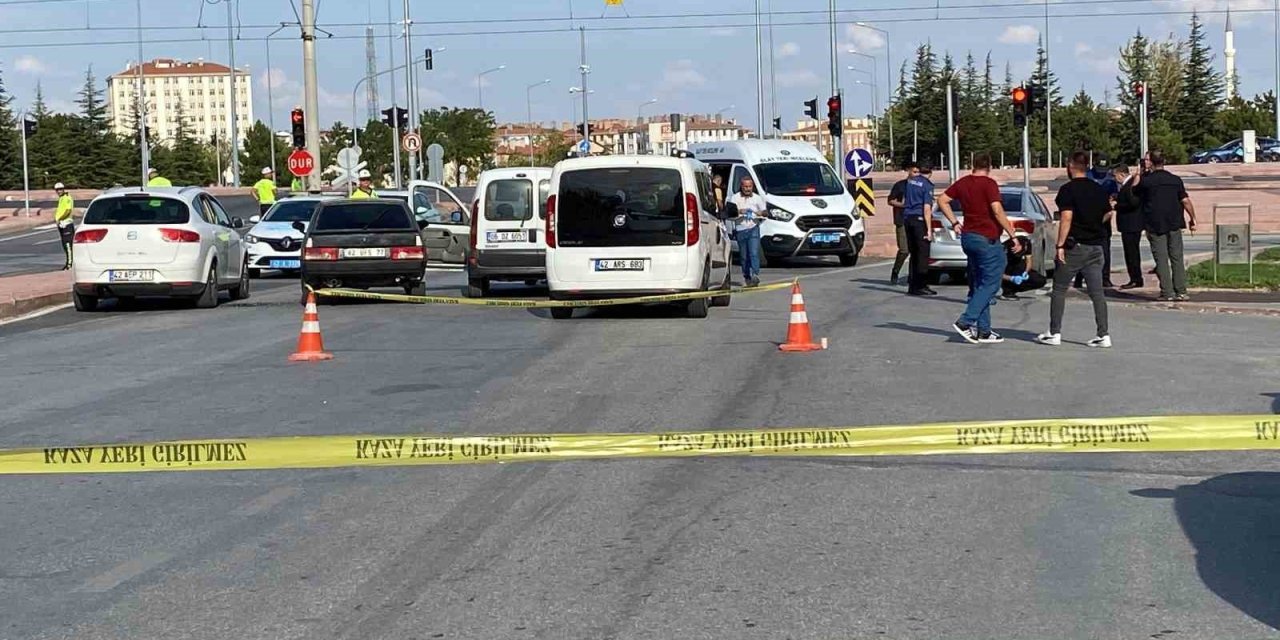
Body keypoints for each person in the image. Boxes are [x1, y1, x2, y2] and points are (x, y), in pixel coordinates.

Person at [937, 152, 1024, 344]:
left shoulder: (963, 182)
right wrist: (1012, 235)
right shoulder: (989, 184)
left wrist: (954, 222)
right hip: (987, 239)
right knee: (991, 283)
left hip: (968, 237)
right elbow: (997, 210)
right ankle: (965, 322)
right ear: (990, 166)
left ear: (972, 165)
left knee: (979, 284)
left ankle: (984, 331)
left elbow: (942, 200)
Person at [1037, 151, 1112, 348]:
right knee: (1097, 293)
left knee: (1059, 289)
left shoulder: (1067, 190)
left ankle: (1054, 332)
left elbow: (1066, 218)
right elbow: (1109, 212)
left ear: (1070, 166)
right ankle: (1103, 334)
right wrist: (1095, 223)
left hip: (1075, 246)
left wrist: (1060, 245)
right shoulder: (1098, 190)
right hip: (1096, 246)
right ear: (1086, 167)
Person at [1136, 150, 1197, 301]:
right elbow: (1185, 200)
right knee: (1177, 257)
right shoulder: (1175, 180)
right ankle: (1181, 291)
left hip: (1155, 224)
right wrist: (1192, 218)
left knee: (1161, 259)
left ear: (1150, 162)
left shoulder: (1147, 181)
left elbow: (1134, 192)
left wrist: (1139, 174)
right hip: (1174, 222)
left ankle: (1167, 292)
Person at [901, 164, 936, 296]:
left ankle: (912, 285)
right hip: (920, 220)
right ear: (930, 172)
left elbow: (905, 200)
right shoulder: (927, 185)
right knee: (922, 254)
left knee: (914, 254)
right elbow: (927, 208)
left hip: (908, 218)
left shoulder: (911, 182)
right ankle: (921, 285)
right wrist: (929, 230)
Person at [727, 176, 767, 287]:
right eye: (745, 186)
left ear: (752, 187)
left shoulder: (757, 198)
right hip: (740, 229)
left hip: (753, 227)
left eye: (749, 186)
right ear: (741, 186)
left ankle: (755, 275)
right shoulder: (735, 198)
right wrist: (740, 211)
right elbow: (730, 213)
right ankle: (747, 276)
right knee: (744, 256)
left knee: (754, 253)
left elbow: (765, 212)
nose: (747, 189)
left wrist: (760, 213)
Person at [1111, 164, 1145, 289]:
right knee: (1130, 252)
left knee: (1132, 253)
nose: (1115, 179)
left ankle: (1136, 279)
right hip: (1129, 224)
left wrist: (1116, 206)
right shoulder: (1126, 185)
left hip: (1132, 224)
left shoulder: (1131, 184)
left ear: (1122, 174)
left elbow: (1133, 202)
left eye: (1115, 176)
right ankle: (1135, 277)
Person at [887, 162, 920, 286]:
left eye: (918, 172)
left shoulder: (920, 186)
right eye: (914, 172)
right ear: (909, 171)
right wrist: (903, 205)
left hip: (917, 220)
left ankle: (913, 276)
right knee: (904, 250)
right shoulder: (900, 185)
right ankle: (895, 271)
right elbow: (890, 201)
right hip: (902, 221)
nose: (916, 175)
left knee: (916, 250)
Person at [53, 182, 75, 271]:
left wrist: (60, 218)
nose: (59, 191)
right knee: (65, 245)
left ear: (64, 189)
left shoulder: (67, 198)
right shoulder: (61, 198)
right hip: (62, 225)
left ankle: (70, 264)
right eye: (57, 190)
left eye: (60, 189)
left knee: (68, 245)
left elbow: (68, 210)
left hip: (67, 224)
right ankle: (68, 263)